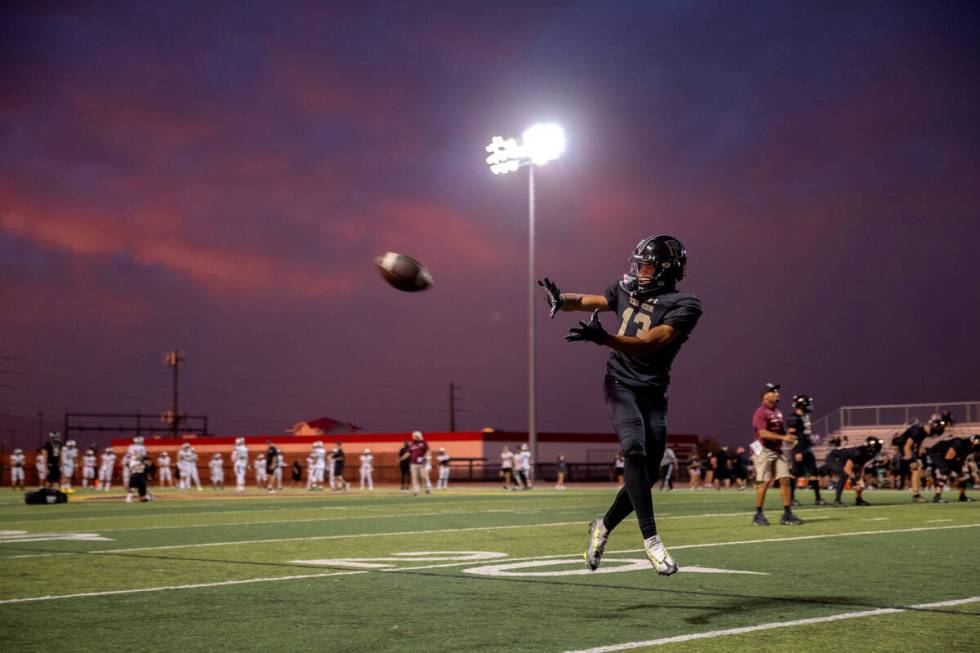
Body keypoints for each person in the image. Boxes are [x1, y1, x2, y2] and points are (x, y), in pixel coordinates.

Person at [540, 234, 702, 576]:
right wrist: (562, 299)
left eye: (646, 267)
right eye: (639, 265)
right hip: (620, 384)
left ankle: (603, 525)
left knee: (647, 474)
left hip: (654, 393)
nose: (639, 272)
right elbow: (592, 300)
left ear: (665, 271)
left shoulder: (685, 305)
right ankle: (652, 541)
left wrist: (605, 339)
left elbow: (648, 344)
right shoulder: (625, 288)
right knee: (634, 450)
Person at [751, 383, 804, 526]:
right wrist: (784, 438)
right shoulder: (760, 412)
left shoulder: (777, 412)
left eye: (777, 391)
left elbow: (781, 433)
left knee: (785, 479)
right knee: (765, 482)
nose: (776, 393)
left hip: (776, 449)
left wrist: (790, 438)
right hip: (763, 449)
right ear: (765, 395)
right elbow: (762, 433)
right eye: (772, 391)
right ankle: (758, 514)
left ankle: (787, 514)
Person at [896, 416, 947, 502]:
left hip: (909, 449)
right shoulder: (918, 431)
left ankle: (916, 493)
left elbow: (917, 444)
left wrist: (918, 456)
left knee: (920, 469)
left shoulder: (923, 431)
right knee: (916, 469)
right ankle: (916, 495)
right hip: (904, 448)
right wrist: (911, 460)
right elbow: (906, 446)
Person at [786, 394, 824, 505]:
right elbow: (792, 436)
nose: (809, 406)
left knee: (814, 472)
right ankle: (791, 498)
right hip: (799, 448)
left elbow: (805, 433)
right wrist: (797, 450)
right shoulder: (793, 418)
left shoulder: (805, 417)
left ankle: (818, 498)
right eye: (807, 404)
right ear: (801, 405)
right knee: (796, 472)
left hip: (807, 447)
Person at [827, 437, 882, 506]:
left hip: (845, 461)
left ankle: (859, 499)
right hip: (835, 458)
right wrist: (854, 483)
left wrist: (860, 478)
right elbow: (847, 469)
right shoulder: (858, 453)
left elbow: (861, 466)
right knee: (844, 475)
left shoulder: (870, 453)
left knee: (858, 480)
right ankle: (837, 500)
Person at [927, 434, 979, 503]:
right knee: (945, 471)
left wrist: (960, 470)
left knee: (962, 474)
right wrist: (952, 475)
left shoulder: (972, 447)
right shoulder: (959, 443)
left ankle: (962, 496)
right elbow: (948, 458)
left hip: (951, 456)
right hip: (937, 453)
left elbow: (962, 457)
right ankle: (937, 497)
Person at [408, 431, 430, 496]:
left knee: (424, 476)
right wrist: (401, 458)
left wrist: (424, 457)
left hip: (421, 463)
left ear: (418, 436)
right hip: (413, 463)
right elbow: (409, 452)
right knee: (414, 477)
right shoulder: (412, 444)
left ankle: (426, 488)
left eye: (414, 436)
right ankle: (415, 491)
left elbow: (428, 451)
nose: (413, 437)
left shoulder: (424, 443)